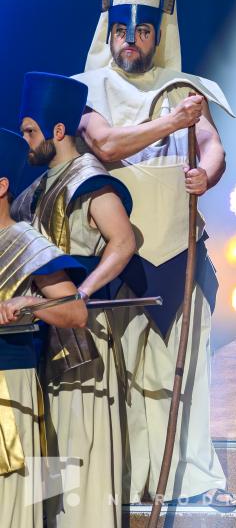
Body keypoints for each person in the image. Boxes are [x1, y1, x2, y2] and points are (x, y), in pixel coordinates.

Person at [72, 0, 236, 507]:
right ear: (110, 33)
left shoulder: (183, 85)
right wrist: (171, 122)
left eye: (142, 32)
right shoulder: (88, 87)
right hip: (115, 253)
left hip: (178, 246)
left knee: (183, 373)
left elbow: (212, 144)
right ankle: (127, 480)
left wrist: (206, 173)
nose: (131, 41)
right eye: (122, 31)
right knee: (120, 374)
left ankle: (192, 479)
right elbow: (105, 144)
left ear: (157, 35)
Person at [11, 72, 135, 527]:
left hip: (83, 335)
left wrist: (80, 293)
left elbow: (123, 241)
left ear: (58, 130)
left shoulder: (89, 179)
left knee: (81, 442)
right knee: (52, 450)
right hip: (43, 334)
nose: (26, 140)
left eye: (31, 131)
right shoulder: (35, 190)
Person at [0, 127, 87, 528]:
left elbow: (75, 313)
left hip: (9, 384)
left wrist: (29, 304)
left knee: (10, 503)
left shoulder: (24, 242)